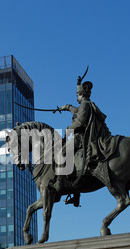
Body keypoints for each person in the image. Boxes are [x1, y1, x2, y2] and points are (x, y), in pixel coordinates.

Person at [54, 70, 113, 206]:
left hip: (82, 137)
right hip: (83, 136)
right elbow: (76, 110)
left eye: (77, 95)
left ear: (81, 94)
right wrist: (66, 107)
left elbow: (80, 122)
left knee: (62, 153)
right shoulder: (85, 105)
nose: (76, 97)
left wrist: (69, 128)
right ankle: (75, 194)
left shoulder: (85, 105)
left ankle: (60, 183)